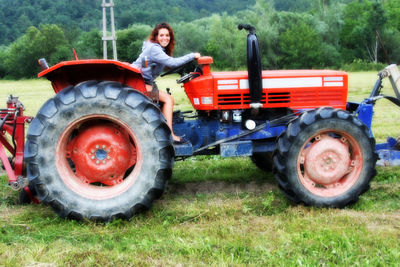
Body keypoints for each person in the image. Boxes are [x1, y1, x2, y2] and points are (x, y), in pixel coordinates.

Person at [132, 22, 201, 143]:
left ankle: (161, 131)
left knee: (158, 104)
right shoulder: (154, 49)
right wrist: (192, 56)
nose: (165, 38)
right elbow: (172, 63)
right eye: (162, 35)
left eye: (167, 35)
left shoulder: (153, 48)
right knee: (168, 99)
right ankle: (171, 136)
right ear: (156, 37)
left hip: (143, 82)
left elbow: (147, 67)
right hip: (138, 83)